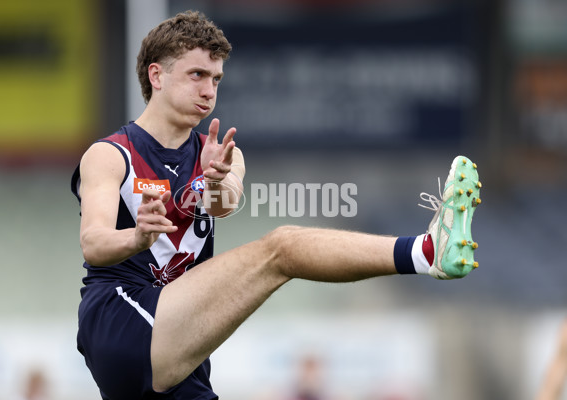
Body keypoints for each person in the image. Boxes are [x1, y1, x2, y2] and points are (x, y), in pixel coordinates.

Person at [70, 10, 482, 400]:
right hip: (119, 318)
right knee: (282, 248)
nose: (209, 89)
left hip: (177, 336)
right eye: (197, 74)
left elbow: (223, 203)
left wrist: (211, 181)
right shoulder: (110, 155)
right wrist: (137, 237)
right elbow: (94, 244)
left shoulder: (222, 154)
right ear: (156, 75)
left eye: (216, 78)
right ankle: (427, 251)